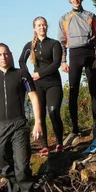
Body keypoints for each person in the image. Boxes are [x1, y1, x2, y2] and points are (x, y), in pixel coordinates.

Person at [0, 43, 42, 192]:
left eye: (6, 54)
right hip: (0, 129)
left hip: (19, 125)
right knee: (8, 169)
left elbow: (33, 97)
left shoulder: (21, 74)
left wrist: (38, 123)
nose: (3, 57)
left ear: (10, 55)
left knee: (22, 167)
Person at [58, 0, 96, 141]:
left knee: (93, 89)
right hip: (74, 55)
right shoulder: (64, 18)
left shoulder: (90, 16)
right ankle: (75, 128)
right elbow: (62, 42)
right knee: (73, 92)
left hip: (90, 54)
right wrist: (63, 61)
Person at [19, 16, 64, 156]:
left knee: (53, 111)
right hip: (37, 85)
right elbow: (21, 62)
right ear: (34, 28)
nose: (42, 27)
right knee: (41, 114)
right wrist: (28, 77)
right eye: (39, 25)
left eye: (44, 25)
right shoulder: (30, 45)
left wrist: (39, 73)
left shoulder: (54, 44)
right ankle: (45, 145)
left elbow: (56, 64)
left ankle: (59, 142)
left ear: (47, 27)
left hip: (53, 83)